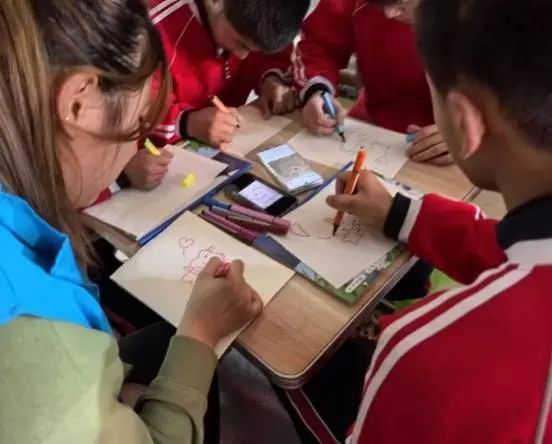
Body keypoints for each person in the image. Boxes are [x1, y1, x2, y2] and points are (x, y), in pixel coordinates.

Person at [279, 0, 552, 442]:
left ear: (462, 121)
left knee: (300, 357)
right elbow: (504, 250)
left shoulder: (420, 352)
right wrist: (397, 211)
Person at [0, 1, 262, 443]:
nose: (132, 149)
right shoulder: (42, 344)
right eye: (137, 126)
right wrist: (200, 334)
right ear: (79, 102)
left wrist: (114, 398)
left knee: (159, 341)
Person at [114, 0, 313, 194]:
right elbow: (129, 112)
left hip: (210, 160)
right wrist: (187, 122)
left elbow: (269, 56)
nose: (243, 56)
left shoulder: (253, 21)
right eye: (240, 43)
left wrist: (270, 77)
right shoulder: (149, 29)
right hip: (150, 169)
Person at [260, 0, 453, 166]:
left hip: (446, 142)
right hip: (371, 123)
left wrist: (463, 134)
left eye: (402, 2)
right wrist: (316, 90)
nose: (389, 13)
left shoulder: (469, 17)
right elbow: (319, 45)